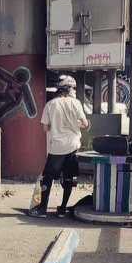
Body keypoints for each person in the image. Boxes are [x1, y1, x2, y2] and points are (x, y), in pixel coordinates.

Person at [28, 74, 89, 218]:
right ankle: (62, 209)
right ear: (68, 89)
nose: (74, 90)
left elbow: (45, 128)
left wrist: (57, 126)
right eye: (73, 87)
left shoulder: (50, 104)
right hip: (73, 145)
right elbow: (84, 123)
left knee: (47, 177)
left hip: (56, 147)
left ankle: (42, 209)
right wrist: (75, 125)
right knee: (69, 177)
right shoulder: (76, 103)